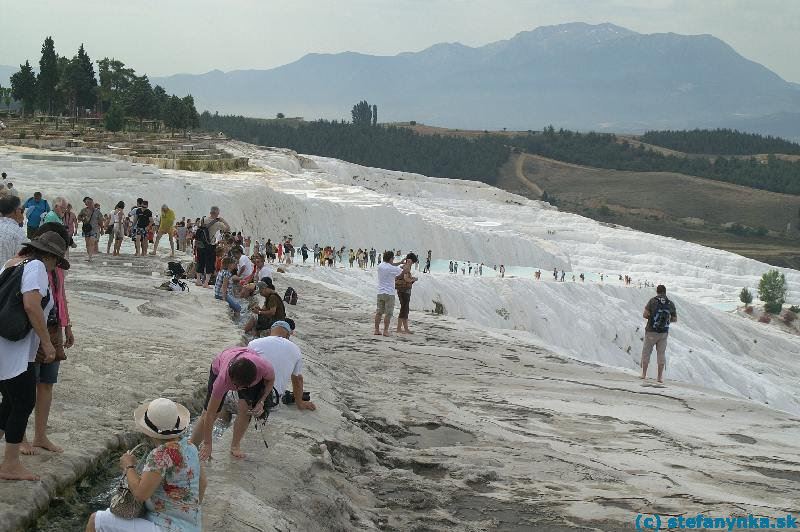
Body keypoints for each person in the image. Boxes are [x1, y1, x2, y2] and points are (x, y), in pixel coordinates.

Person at [0, 231, 67, 480]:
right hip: (14, 352)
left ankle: (8, 461)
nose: (55, 267)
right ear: (49, 255)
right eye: (57, 261)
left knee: (8, 401)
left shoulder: (12, 263)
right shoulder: (37, 266)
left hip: (5, 345)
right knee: (23, 402)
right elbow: (31, 304)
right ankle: (10, 464)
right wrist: (48, 344)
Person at [87, 397, 206, 532]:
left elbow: (140, 494)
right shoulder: (190, 447)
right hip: (191, 527)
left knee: (96, 520)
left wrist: (128, 466)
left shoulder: (160, 455)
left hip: (165, 527)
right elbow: (203, 484)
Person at [21, 223, 75, 456]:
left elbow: (60, 297)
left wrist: (67, 325)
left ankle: (40, 436)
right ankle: (20, 437)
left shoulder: (56, 270)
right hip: (32, 330)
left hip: (53, 328)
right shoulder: (28, 266)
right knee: (24, 387)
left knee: (46, 383)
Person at [190, 347, 275, 460]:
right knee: (210, 413)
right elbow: (209, 415)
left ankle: (235, 446)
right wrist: (208, 443)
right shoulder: (222, 380)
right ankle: (192, 446)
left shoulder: (264, 367)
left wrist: (261, 401)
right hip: (221, 363)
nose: (238, 389)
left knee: (246, 410)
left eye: (243, 387)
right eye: (236, 386)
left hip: (247, 368)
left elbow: (271, 379)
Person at [247, 321, 316, 411]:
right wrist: (300, 403)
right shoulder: (295, 349)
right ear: (287, 335)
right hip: (272, 400)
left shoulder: (253, 343)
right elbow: (297, 379)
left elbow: (246, 368)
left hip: (248, 395)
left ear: (270, 331)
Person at [641, 285, 678, 383]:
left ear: (657, 291)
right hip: (663, 333)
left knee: (646, 352)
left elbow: (645, 314)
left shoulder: (652, 301)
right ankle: (659, 377)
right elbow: (675, 319)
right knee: (661, 354)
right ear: (665, 292)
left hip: (651, 331)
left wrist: (653, 318)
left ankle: (644, 374)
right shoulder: (670, 303)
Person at [195, 207, 230, 289]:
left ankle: (198, 280)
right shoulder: (218, 223)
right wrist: (223, 220)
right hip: (210, 245)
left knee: (200, 261)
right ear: (216, 213)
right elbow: (228, 229)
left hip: (200, 244)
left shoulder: (203, 220)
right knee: (210, 263)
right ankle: (206, 283)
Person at [374, 251, 403, 336]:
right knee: (388, 313)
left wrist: (400, 262)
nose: (393, 260)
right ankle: (385, 331)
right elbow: (401, 273)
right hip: (389, 293)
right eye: (393, 258)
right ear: (390, 259)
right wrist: (405, 266)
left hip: (380, 292)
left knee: (379, 312)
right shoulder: (392, 268)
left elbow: (391, 265)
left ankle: (376, 330)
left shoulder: (380, 266)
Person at [396, 253, 418, 334]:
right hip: (404, 290)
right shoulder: (407, 267)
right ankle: (399, 328)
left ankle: (405, 328)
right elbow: (406, 279)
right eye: (413, 262)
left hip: (401, 290)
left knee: (405, 309)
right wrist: (413, 279)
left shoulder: (404, 266)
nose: (412, 263)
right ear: (411, 260)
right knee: (404, 309)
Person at [0, 195, 26, 264]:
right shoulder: (19, 233)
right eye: (21, 210)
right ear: (17, 211)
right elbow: (21, 261)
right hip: (5, 274)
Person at [77, 196, 102, 262]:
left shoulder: (97, 211)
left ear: (93, 202)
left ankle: (90, 257)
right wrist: (82, 219)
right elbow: (78, 217)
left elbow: (100, 221)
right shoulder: (83, 210)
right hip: (86, 229)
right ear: (86, 204)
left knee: (91, 242)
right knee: (87, 244)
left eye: (91, 202)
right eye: (88, 203)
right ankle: (89, 256)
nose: (90, 204)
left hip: (94, 229)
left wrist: (102, 229)